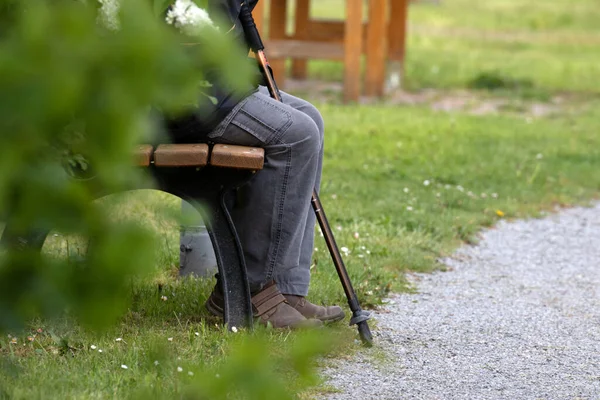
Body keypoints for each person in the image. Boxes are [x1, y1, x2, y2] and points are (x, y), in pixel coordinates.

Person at [166, 0, 344, 329]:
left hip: (215, 85)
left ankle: (286, 290)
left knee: (310, 119)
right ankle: (249, 291)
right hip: (186, 99)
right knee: (298, 135)